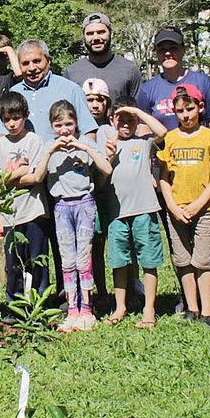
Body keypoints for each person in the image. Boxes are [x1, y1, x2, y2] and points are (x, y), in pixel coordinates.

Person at [157, 84, 210, 326]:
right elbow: (164, 178)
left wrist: (200, 203)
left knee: (203, 261)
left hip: (203, 209)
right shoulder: (170, 139)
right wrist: (173, 208)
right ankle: (192, 307)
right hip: (176, 211)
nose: (186, 115)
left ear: (200, 108)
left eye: (190, 109)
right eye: (180, 111)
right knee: (182, 260)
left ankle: (207, 312)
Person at [38, 99, 112, 332]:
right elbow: (37, 175)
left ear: (76, 124)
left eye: (69, 124)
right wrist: (50, 151)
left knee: (84, 258)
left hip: (84, 205)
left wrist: (86, 148)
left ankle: (87, 309)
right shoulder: (48, 146)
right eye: (59, 125)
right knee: (67, 259)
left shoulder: (84, 144)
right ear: (52, 126)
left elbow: (107, 169)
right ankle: (72, 309)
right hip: (61, 206)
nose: (64, 130)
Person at [101, 99, 169, 328]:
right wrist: (108, 157)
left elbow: (162, 131)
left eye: (131, 120)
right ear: (112, 121)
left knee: (149, 260)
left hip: (144, 210)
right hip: (117, 214)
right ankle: (120, 306)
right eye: (121, 119)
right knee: (119, 262)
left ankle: (149, 308)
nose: (126, 124)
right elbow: (100, 179)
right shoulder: (108, 145)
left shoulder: (144, 142)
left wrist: (135, 110)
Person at [0, 91, 54, 305]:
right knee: (14, 262)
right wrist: (17, 173)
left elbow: (35, 177)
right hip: (10, 215)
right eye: (6, 119)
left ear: (26, 115)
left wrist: (9, 178)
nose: (12, 124)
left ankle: (40, 303)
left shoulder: (34, 141)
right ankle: (14, 305)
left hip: (34, 211)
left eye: (16, 118)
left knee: (38, 261)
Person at [136, 26, 210, 134]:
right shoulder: (148, 88)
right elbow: (144, 126)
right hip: (163, 150)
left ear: (184, 49)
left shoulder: (202, 82)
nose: (167, 53)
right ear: (155, 52)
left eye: (173, 48)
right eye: (162, 49)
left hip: (199, 149)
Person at [10, 39, 98, 141]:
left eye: (37, 61)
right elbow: (2, 134)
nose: (32, 68)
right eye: (25, 63)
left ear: (49, 61)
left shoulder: (71, 90)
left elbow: (88, 132)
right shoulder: (13, 94)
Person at [81, 77, 114, 310]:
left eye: (100, 100)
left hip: (112, 196)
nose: (95, 105)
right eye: (90, 100)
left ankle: (130, 290)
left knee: (120, 244)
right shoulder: (79, 132)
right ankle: (98, 293)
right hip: (88, 196)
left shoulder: (112, 130)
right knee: (93, 248)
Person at [63, 12, 141, 105]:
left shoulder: (129, 70)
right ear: (83, 37)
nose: (96, 38)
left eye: (101, 32)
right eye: (90, 33)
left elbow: (138, 110)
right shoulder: (71, 73)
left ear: (111, 33)